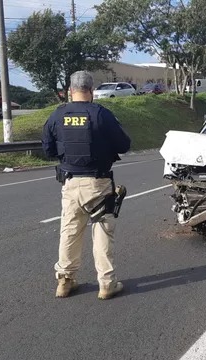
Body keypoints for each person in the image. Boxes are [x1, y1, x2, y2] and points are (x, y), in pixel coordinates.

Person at [42, 70, 131, 299]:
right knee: (101, 232)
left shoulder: (57, 115)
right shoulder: (101, 114)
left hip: (70, 183)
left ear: (70, 91)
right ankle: (106, 284)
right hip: (98, 183)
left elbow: (48, 149)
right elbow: (124, 145)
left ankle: (65, 281)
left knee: (69, 231)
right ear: (91, 91)